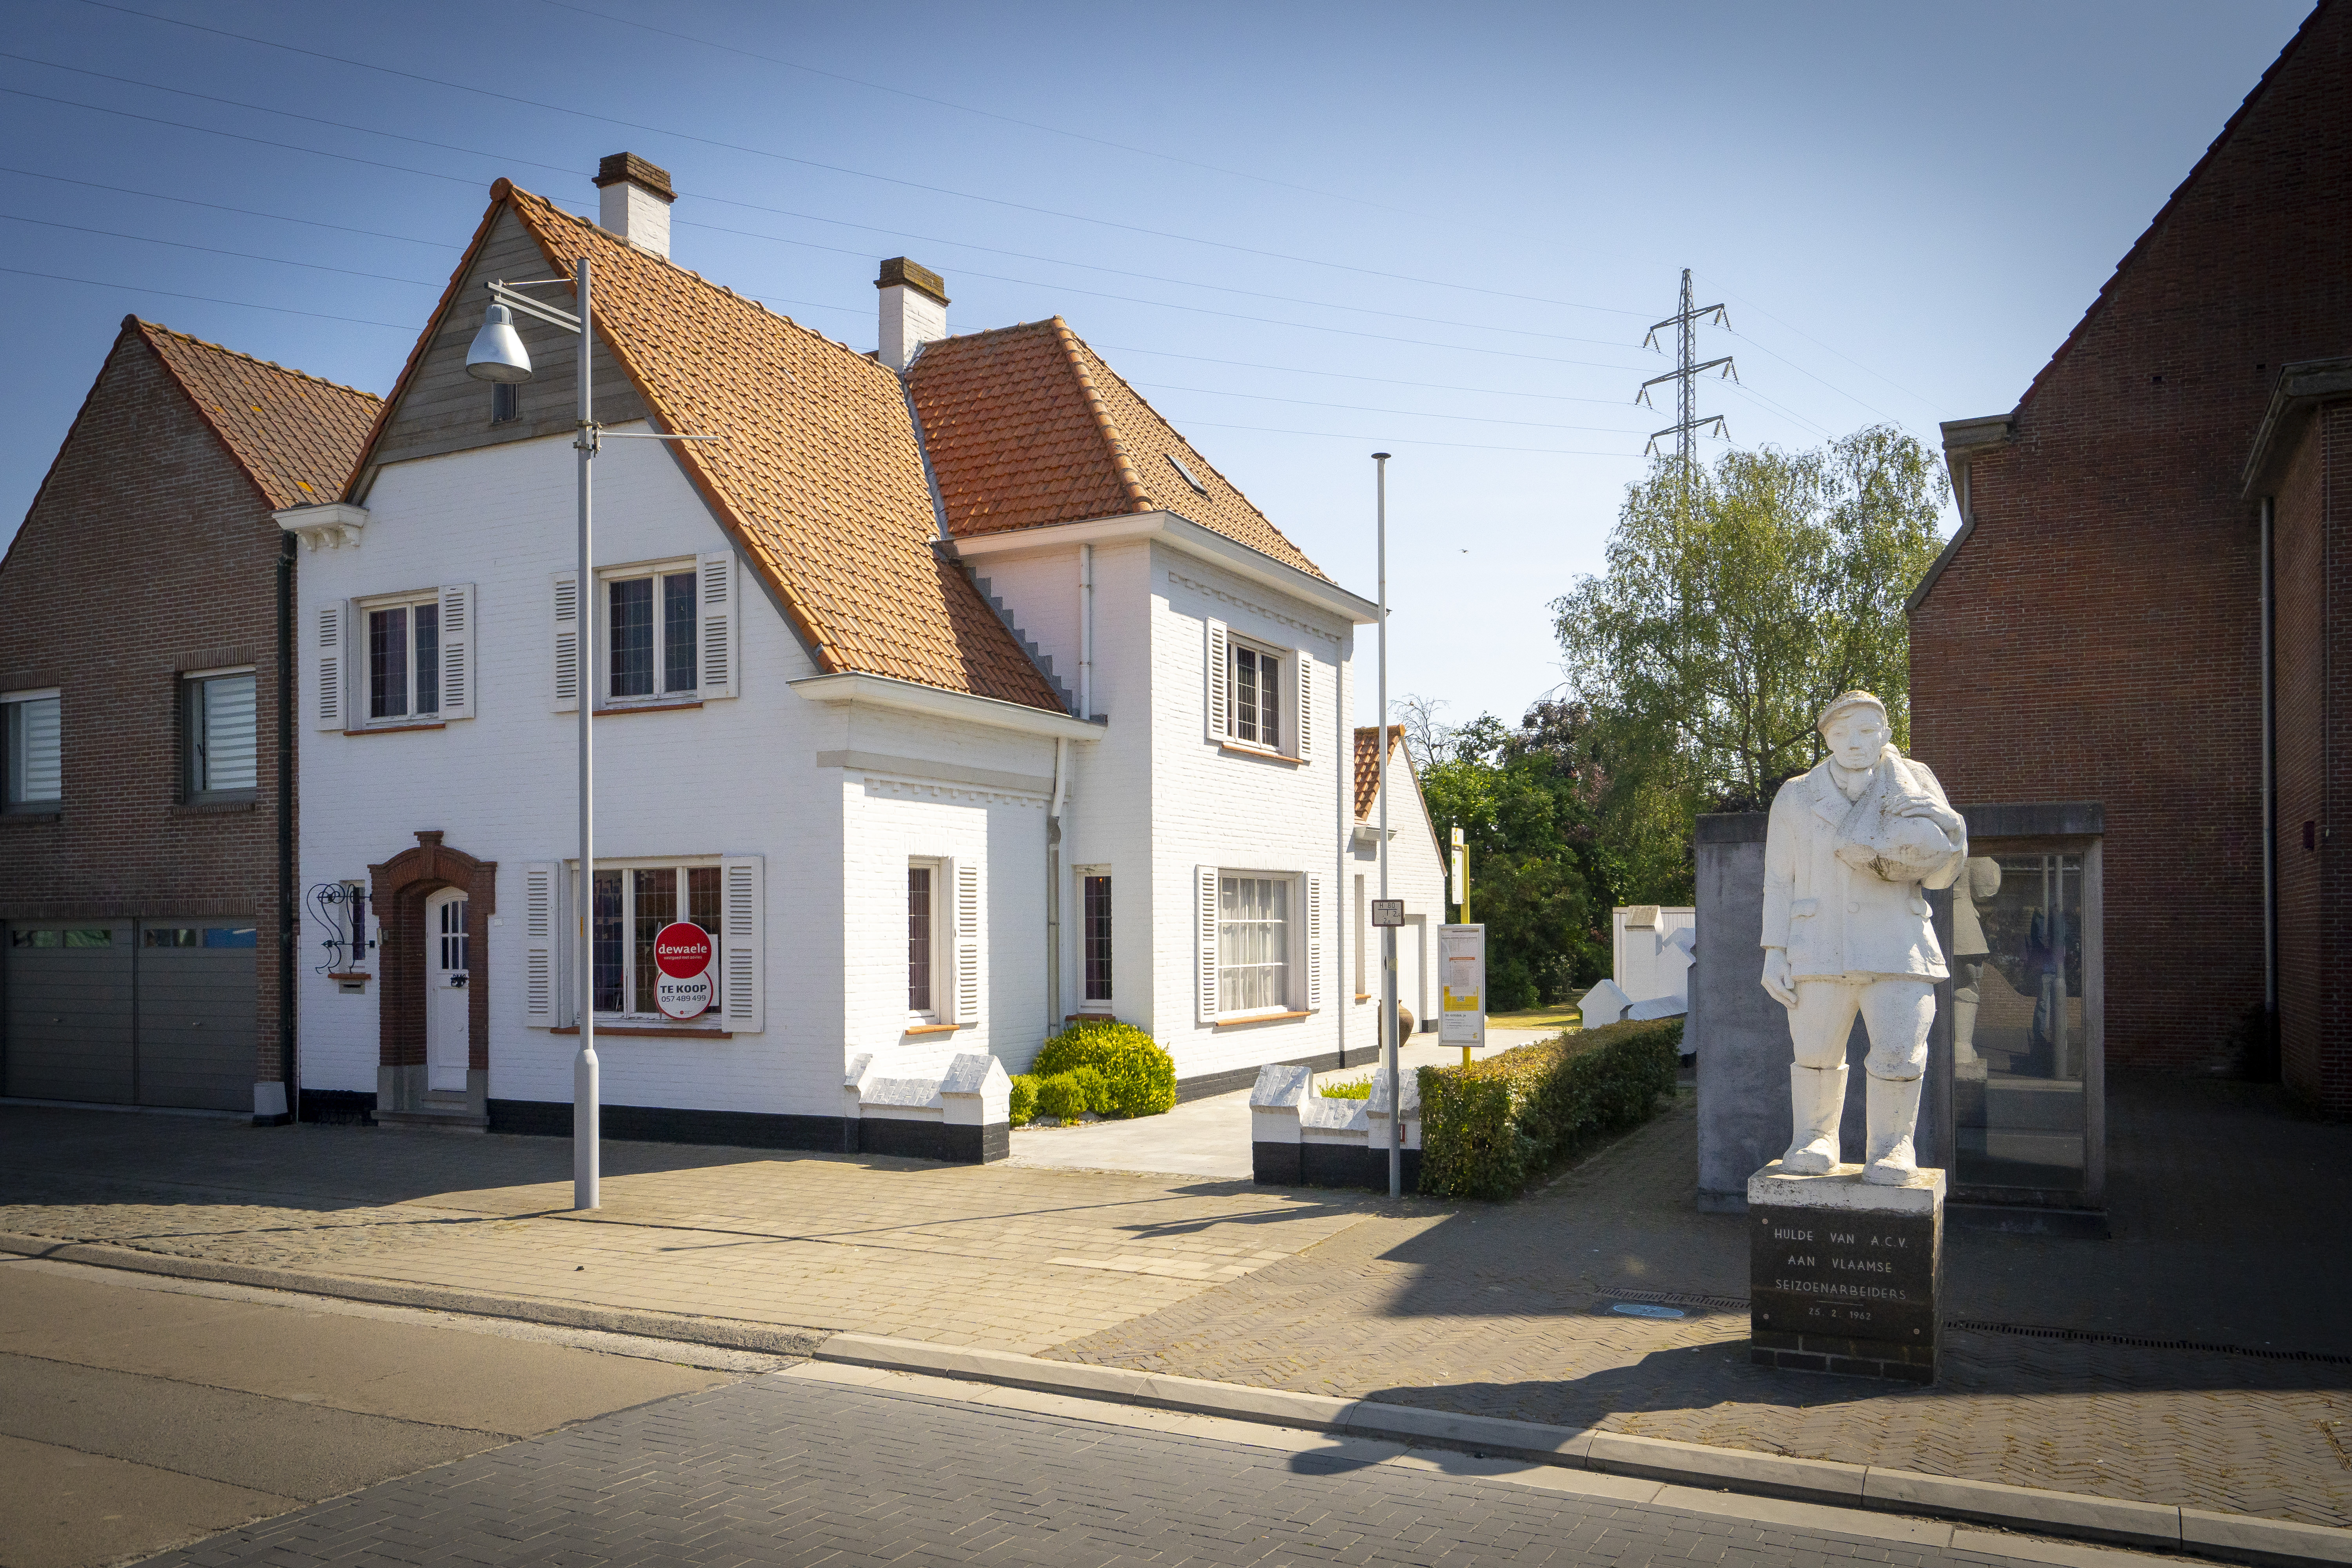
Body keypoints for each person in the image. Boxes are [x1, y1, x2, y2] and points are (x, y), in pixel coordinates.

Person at [1761, 691, 1967, 1184]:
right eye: (1841, 731)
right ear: (1826, 737)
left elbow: (1941, 873)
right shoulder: (1796, 794)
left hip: (1898, 944)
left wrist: (1955, 832)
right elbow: (1778, 879)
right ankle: (1814, 1137)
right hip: (1819, 943)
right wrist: (1774, 951)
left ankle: (1893, 1147)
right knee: (1815, 1052)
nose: (1854, 742)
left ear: (1886, 735)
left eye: (1867, 731)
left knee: (1900, 1051)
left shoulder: (1914, 781)